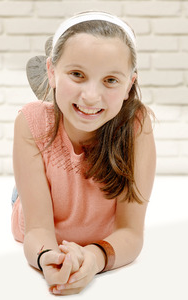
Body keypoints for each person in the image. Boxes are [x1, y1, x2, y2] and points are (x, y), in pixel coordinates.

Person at [11, 11, 156, 295]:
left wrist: (93, 258)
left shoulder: (136, 125)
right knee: (24, 197)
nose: (91, 96)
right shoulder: (29, 121)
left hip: (92, 222)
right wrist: (48, 259)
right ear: (51, 72)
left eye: (111, 80)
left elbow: (131, 233)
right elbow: (38, 230)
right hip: (38, 213)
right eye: (77, 74)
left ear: (129, 85)